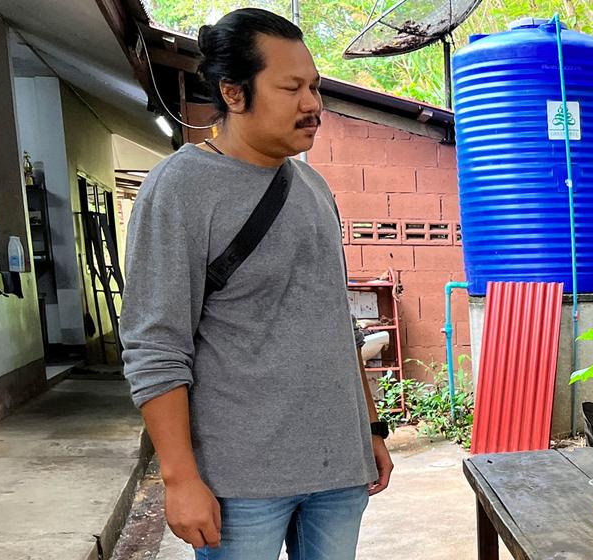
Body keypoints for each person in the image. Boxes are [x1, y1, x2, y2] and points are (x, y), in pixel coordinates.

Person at [120, 8, 392, 559]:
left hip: (339, 468)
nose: (313, 104)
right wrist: (179, 479)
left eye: (314, 87)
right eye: (291, 87)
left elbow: (336, 322)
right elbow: (155, 346)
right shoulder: (179, 189)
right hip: (241, 481)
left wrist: (371, 428)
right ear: (234, 93)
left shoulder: (313, 186)